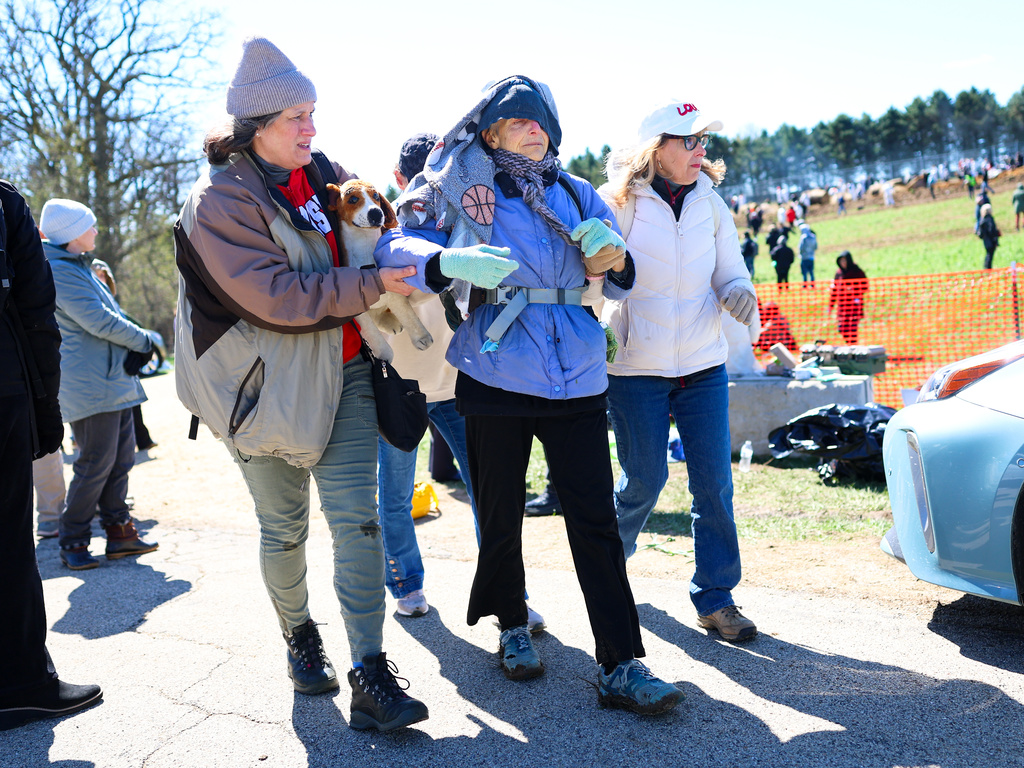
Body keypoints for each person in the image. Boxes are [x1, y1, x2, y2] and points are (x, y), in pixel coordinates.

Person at [376, 75, 682, 714]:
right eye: (517, 121)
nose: (533, 128)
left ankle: (622, 664)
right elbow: (395, 245)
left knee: (595, 520)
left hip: (577, 372)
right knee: (500, 510)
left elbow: (623, 280)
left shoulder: (576, 192)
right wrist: (446, 264)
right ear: (488, 132)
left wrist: (615, 259)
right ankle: (512, 627)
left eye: (541, 119)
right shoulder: (460, 189)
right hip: (493, 370)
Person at [172, 37, 427, 732]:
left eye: (313, 112)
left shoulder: (325, 176)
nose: (311, 129)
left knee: (360, 522)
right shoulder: (218, 200)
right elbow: (275, 296)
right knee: (284, 532)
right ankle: (299, 637)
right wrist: (372, 283)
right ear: (255, 127)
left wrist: (420, 254)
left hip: (342, 373)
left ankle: (370, 672)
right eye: (296, 117)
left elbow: (379, 228)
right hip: (256, 392)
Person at [599, 99, 759, 645]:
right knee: (645, 479)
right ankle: (607, 573)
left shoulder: (711, 205)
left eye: (702, 141)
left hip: (702, 366)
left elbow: (732, 272)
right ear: (656, 149)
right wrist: (592, 325)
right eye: (688, 140)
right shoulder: (615, 203)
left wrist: (739, 292)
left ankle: (715, 599)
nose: (699, 150)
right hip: (635, 368)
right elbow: (592, 276)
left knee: (714, 484)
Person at [375, 132, 546, 629]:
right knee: (394, 495)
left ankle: (509, 594)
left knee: (491, 493)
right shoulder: (390, 234)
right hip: (399, 386)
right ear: (403, 184)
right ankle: (406, 585)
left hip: (456, 384)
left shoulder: (471, 220)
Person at [0, 179, 102, 731]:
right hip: (3, 386)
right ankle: (20, 684)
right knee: (6, 542)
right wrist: (45, 405)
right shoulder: (3, 201)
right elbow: (36, 308)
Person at [39, 199, 160, 570]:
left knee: (121, 460)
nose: (96, 231)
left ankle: (119, 533)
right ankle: (72, 538)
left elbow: (114, 314)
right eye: (89, 225)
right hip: (91, 383)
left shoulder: (81, 267)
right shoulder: (59, 271)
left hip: (112, 378)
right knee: (95, 464)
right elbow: (100, 321)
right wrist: (145, 341)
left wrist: (142, 337)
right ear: (73, 233)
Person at [89, 258, 157, 451]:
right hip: (105, 365)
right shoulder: (92, 302)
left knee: (133, 403)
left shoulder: (113, 302)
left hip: (125, 362)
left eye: (104, 275)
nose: (101, 278)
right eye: (97, 275)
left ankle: (142, 439)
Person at [829, 251, 868, 344]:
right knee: (842, 328)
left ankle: (853, 347)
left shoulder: (857, 271)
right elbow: (835, 290)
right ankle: (851, 345)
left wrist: (853, 290)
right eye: (841, 261)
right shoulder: (839, 273)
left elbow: (865, 286)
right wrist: (831, 305)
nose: (843, 263)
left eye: (844, 261)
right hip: (842, 307)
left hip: (854, 307)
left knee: (852, 329)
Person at [978, 203, 1000, 270]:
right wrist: (995, 238)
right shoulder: (989, 219)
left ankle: (987, 268)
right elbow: (991, 230)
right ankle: (988, 269)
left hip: (986, 241)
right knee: (990, 255)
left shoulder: (982, 219)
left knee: (988, 255)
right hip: (991, 240)